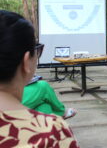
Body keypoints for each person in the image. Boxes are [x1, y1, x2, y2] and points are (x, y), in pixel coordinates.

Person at [0, 10, 78, 147]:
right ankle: (61, 112)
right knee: (43, 88)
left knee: (44, 106)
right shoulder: (54, 132)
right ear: (26, 61)